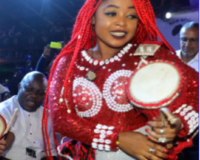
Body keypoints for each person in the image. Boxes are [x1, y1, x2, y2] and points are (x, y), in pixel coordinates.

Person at [41, 0, 198, 160]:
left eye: (131, 16)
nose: (122, 22)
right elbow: (60, 118)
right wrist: (116, 138)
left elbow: (194, 87)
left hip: (142, 152)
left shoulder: (150, 55)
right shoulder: (69, 61)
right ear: (93, 16)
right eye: (111, 13)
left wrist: (177, 123)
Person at [0, 71, 57, 160]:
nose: (34, 95)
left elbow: (50, 152)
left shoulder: (47, 116)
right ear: (19, 87)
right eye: (29, 89)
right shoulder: (4, 110)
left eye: (40, 93)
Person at [176, 21, 199, 160]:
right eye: (184, 39)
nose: (187, 44)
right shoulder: (169, 58)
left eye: (193, 40)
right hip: (171, 126)